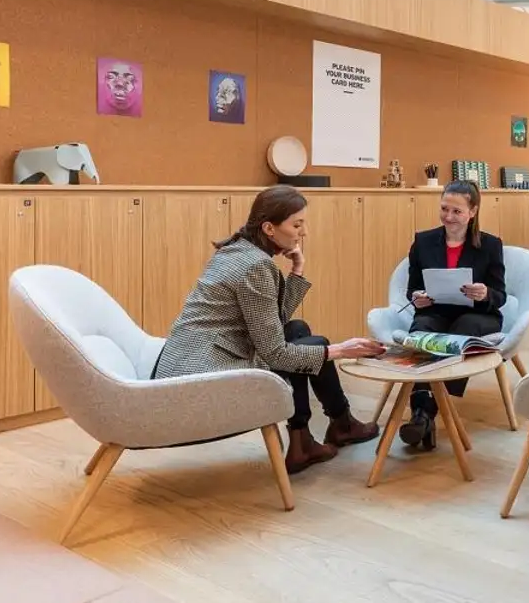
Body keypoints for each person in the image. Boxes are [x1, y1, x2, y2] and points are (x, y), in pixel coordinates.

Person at [152, 185, 386, 474]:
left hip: (186, 361)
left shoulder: (235, 251)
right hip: (204, 373)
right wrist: (339, 350)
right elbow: (276, 354)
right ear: (269, 228)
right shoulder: (255, 266)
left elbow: (273, 321)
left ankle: (310, 438)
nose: (303, 232)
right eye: (296, 224)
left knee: (298, 329)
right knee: (315, 343)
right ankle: (337, 425)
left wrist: (297, 269)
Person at [398, 180, 507, 451]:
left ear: (473, 211)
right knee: (421, 331)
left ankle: (424, 413)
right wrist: (416, 297)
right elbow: (412, 288)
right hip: (435, 310)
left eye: (457, 211)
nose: (449, 217)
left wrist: (485, 294)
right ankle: (423, 416)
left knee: (461, 331)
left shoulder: (491, 245)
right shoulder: (423, 241)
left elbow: (500, 295)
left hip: (478, 315)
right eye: (444, 209)